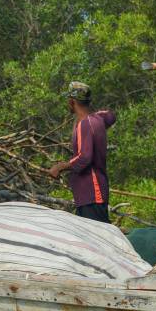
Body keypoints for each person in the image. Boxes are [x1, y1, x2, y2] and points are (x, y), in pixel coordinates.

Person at [49, 82, 116, 223]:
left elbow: (85, 157)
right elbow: (111, 116)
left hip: (91, 193)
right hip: (91, 194)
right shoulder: (98, 119)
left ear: (72, 101)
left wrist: (60, 167)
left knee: (97, 239)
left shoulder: (84, 124)